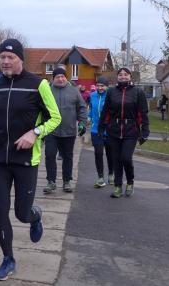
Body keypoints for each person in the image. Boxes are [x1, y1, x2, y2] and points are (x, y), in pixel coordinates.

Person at [0, 39, 60, 280]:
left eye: (11, 57)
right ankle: (8, 259)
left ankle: (35, 216)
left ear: (20, 59)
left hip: (25, 160)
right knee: (0, 209)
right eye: (2, 57)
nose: (6, 61)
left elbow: (55, 118)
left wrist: (35, 133)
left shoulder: (38, 84)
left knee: (22, 213)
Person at [98, 66, 149, 198]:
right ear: (117, 77)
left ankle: (130, 182)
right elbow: (105, 111)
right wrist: (101, 127)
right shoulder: (111, 92)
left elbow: (143, 113)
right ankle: (118, 186)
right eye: (120, 74)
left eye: (126, 74)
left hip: (131, 130)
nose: (123, 76)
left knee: (126, 158)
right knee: (116, 159)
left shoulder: (138, 92)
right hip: (114, 130)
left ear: (130, 77)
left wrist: (145, 131)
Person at [43, 67, 87, 194]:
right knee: (50, 155)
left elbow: (82, 107)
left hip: (69, 130)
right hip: (51, 130)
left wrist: (82, 123)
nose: (61, 79)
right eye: (58, 77)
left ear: (66, 78)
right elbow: (40, 108)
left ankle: (67, 181)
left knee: (68, 157)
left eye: (63, 76)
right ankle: (51, 181)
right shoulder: (47, 90)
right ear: (53, 78)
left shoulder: (74, 91)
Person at [88, 76, 113, 188]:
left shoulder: (111, 96)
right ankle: (100, 177)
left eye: (102, 86)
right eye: (98, 86)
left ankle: (111, 174)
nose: (100, 88)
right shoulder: (92, 95)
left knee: (110, 154)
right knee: (98, 153)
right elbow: (91, 109)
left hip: (109, 130)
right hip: (96, 130)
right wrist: (89, 118)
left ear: (107, 86)